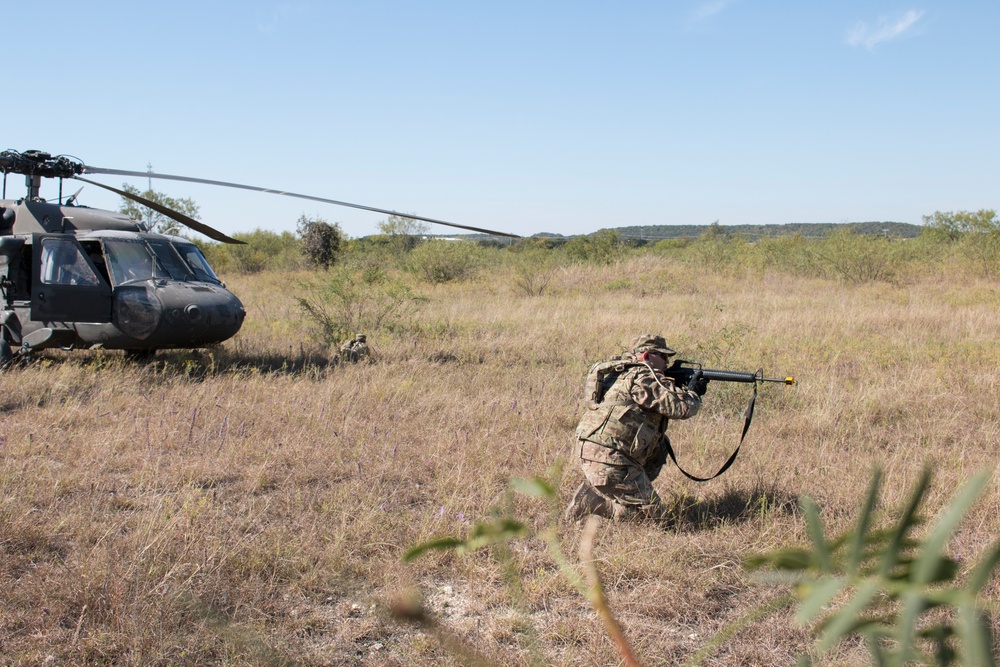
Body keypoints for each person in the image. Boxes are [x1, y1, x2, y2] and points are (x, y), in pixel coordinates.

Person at [564, 334, 709, 522]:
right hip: (610, 460)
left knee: (661, 443)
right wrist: (693, 392)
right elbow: (683, 408)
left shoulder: (621, 372)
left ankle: (628, 494)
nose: (667, 362)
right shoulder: (644, 377)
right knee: (656, 520)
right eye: (663, 357)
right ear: (647, 355)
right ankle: (593, 503)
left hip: (597, 454)